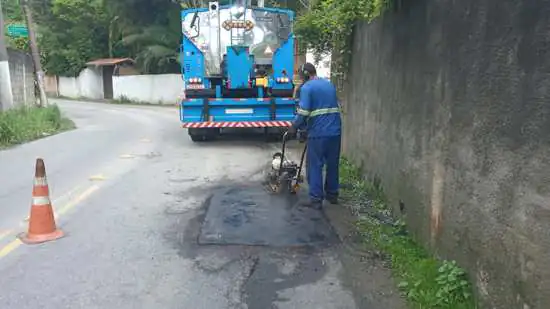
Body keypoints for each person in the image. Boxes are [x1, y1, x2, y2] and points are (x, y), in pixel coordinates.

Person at [288, 62, 342, 210]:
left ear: (305, 75)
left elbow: (304, 112)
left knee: (315, 164)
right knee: (333, 164)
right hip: (335, 131)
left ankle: (316, 199)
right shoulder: (329, 84)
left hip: (319, 133)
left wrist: (294, 127)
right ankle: (332, 195)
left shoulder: (307, 88)